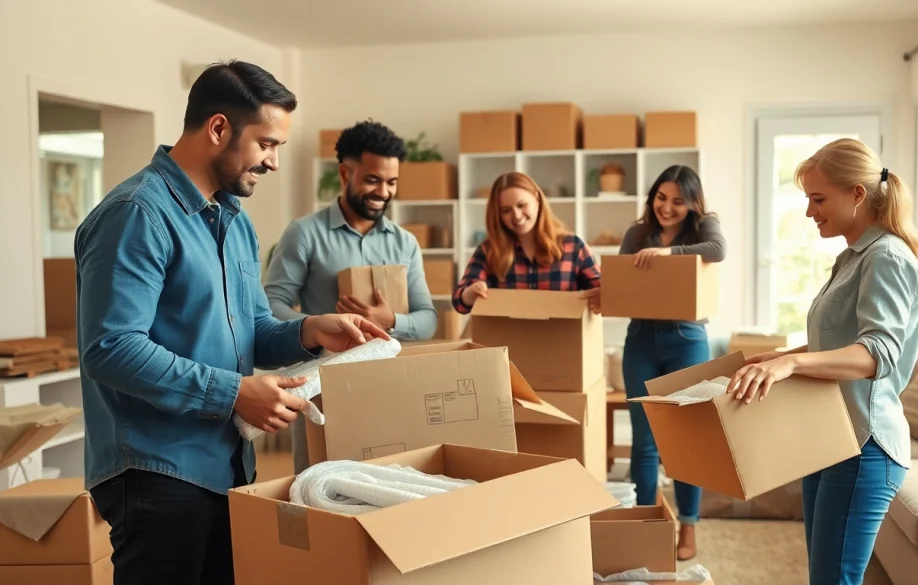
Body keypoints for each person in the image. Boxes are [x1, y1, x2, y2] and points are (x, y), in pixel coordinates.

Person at [75, 60, 390, 585]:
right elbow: (110, 347)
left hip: (227, 468)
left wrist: (310, 330)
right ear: (219, 127)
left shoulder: (234, 222)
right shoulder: (137, 213)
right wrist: (234, 394)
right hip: (157, 472)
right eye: (266, 144)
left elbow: (252, 330)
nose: (271, 162)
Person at [727, 138, 918, 585]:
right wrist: (784, 356)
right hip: (830, 437)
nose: (810, 212)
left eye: (818, 198)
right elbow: (842, 340)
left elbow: (878, 353)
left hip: (865, 446)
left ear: (857, 194)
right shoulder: (853, 256)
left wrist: (789, 367)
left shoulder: (886, 257)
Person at [264, 119, 437, 474]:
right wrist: (319, 325)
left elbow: (428, 320)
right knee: (317, 487)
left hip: (390, 388)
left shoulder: (405, 243)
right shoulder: (304, 234)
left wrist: (390, 321)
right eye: (372, 180)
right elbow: (270, 308)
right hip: (323, 387)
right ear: (345, 174)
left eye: (391, 182)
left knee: (388, 486)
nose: (383, 192)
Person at [585, 165, 726, 561]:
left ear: (692, 203)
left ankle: (689, 527)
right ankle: (648, 526)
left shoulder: (704, 230)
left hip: (687, 339)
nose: (666, 207)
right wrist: (601, 292)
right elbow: (623, 283)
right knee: (645, 442)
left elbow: (718, 251)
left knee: (686, 442)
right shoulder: (636, 233)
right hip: (642, 339)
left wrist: (670, 254)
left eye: (678, 201)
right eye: (661, 198)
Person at [451, 171, 600, 313]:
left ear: (537, 199)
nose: (516, 215)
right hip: (506, 339)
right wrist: (471, 293)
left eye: (522, 205)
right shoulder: (489, 250)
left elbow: (603, 289)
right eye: (506, 210)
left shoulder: (573, 247)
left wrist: (602, 296)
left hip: (563, 337)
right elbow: (459, 302)